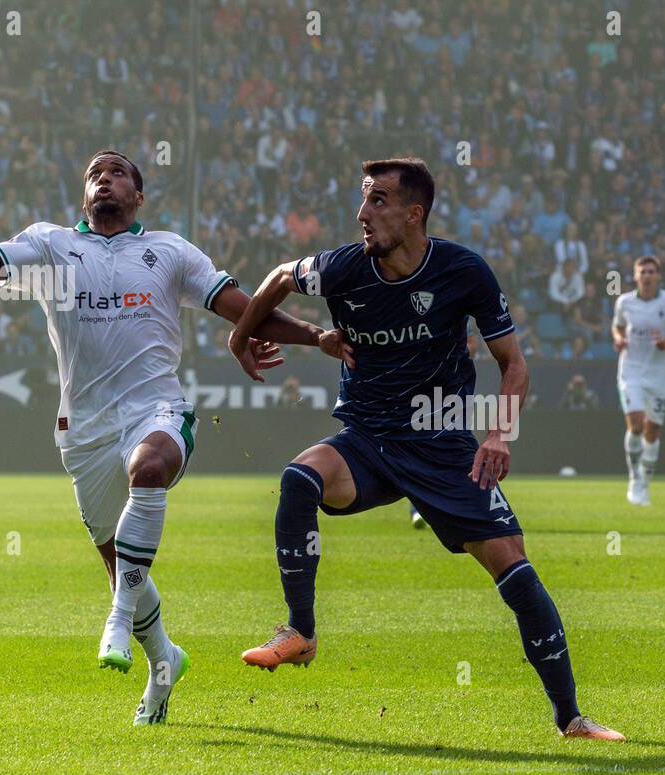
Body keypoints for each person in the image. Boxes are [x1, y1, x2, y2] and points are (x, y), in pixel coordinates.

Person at [227, 157, 623, 741]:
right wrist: (249, 337)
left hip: (443, 449)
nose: (363, 214)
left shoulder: (464, 271)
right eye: (362, 199)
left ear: (415, 214)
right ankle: (300, 632)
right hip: (366, 440)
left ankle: (571, 718)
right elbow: (282, 277)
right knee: (299, 479)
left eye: (378, 201)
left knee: (516, 573)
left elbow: (514, 366)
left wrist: (498, 433)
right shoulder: (341, 268)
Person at [0, 150, 306, 724]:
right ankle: (163, 662)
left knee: (150, 470)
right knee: (118, 562)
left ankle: (116, 621)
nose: (105, 178)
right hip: (84, 432)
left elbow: (246, 311)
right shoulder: (50, 247)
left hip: (157, 409)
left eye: (117, 172)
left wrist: (315, 337)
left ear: (137, 196)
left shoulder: (169, 252)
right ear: (84, 195)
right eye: (95, 173)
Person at [612, 255, 665, 506]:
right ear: (635, 276)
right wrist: (619, 339)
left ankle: (644, 481)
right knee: (636, 424)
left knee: (652, 431)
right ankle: (634, 478)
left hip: (660, 373)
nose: (647, 276)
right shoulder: (624, 302)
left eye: (652, 271)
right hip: (631, 370)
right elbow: (618, 327)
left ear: (658, 276)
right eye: (643, 272)